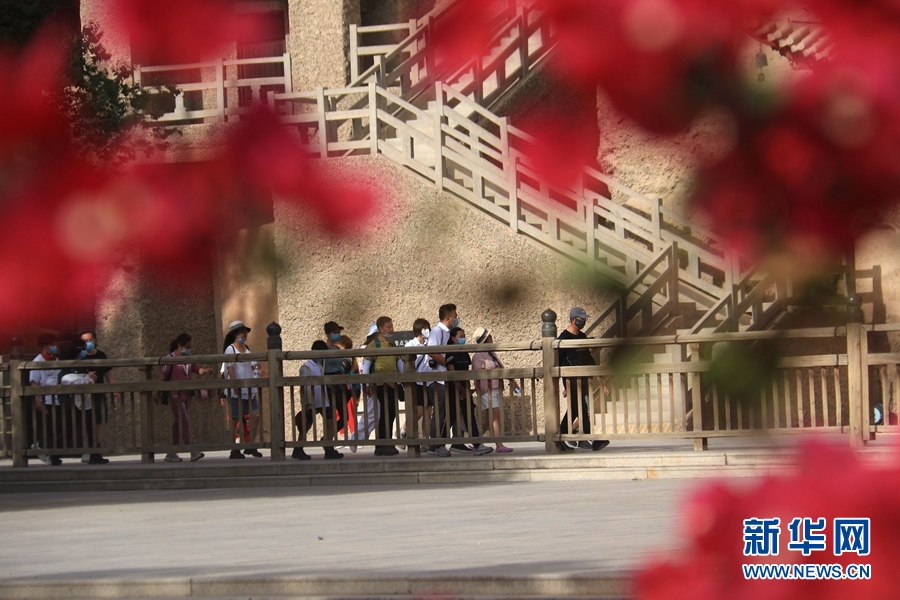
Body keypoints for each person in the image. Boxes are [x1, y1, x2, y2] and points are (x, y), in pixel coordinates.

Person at [558, 307, 610, 453]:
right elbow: (558, 362)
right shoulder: (563, 338)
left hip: (584, 379)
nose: (583, 322)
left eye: (584, 320)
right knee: (579, 408)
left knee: (575, 409)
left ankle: (560, 438)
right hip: (571, 379)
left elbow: (588, 358)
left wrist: (598, 374)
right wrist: (565, 385)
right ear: (572, 320)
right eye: (580, 319)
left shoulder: (582, 336)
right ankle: (590, 439)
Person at [161, 333, 213, 463]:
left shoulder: (189, 358)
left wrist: (205, 370)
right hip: (175, 395)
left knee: (178, 423)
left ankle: (171, 452)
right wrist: (158, 391)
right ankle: (192, 449)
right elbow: (163, 375)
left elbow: (197, 370)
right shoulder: (170, 358)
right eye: (187, 346)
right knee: (184, 421)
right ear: (180, 346)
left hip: (186, 394)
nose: (189, 349)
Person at [57, 341, 108, 464]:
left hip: (85, 401)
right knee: (70, 430)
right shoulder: (68, 365)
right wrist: (84, 379)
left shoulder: (82, 364)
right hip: (71, 402)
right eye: (83, 349)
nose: (86, 351)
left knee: (90, 428)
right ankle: (53, 453)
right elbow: (64, 380)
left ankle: (95, 455)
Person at [445, 327, 493, 456]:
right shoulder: (450, 353)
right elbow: (452, 373)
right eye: (460, 336)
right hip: (454, 390)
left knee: (469, 416)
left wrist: (467, 389)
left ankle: (477, 445)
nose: (463, 338)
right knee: (450, 417)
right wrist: (460, 390)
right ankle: (437, 445)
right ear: (453, 338)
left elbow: (466, 372)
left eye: (464, 336)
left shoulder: (464, 353)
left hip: (465, 390)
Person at [293, 340, 343, 460]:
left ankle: (328, 447)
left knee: (331, 422)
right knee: (306, 425)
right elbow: (304, 387)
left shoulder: (320, 366)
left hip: (323, 400)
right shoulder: (306, 367)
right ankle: (298, 449)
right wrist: (306, 403)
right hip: (312, 401)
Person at [222, 320, 263, 459]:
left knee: (255, 415)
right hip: (237, 390)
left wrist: (256, 367)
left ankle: (250, 444)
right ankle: (234, 449)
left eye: (245, 332)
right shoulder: (230, 349)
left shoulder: (246, 349)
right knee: (235, 419)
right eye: (242, 332)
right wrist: (235, 385)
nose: (245, 335)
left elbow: (253, 364)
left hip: (249, 389)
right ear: (235, 334)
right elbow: (230, 367)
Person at [472, 327, 515, 453]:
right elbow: (479, 373)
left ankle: (477, 440)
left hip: (495, 387)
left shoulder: (491, 353)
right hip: (487, 388)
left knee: (489, 416)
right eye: (489, 336)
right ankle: (499, 444)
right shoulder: (478, 355)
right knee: (495, 414)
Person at [364, 316, 401, 456]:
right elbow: (367, 364)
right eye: (388, 327)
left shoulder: (391, 344)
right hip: (379, 383)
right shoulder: (375, 344)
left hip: (392, 383)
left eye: (392, 326)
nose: (392, 329)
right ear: (380, 329)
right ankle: (381, 445)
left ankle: (387, 442)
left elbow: (398, 363)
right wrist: (367, 383)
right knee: (384, 413)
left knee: (391, 412)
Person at [79, 331, 118, 464]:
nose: (87, 343)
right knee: (86, 423)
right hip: (84, 396)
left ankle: (96, 451)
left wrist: (114, 390)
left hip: (99, 394)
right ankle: (87, 450)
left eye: (89, 340)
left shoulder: (101, 355)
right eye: (84, 341)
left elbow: (108, 374)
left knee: (99, 423)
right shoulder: (80, 356)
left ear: (95, 340)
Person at [426, 303, 459, 457]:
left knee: (447, 411)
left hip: (445, 377)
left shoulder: (447, 333)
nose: (456, 319)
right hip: (438, 378)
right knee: (439, 413)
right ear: (448, 318)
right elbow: (432, 351)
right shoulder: (437, 331)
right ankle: (435, 445)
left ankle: (441, 443)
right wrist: (448, 363)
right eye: (455, 316)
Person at [29, 333, 62, 465]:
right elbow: (34, 382)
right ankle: (46, 451)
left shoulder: (56, 360)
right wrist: (37, 400)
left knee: (58, 427)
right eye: (52, 345)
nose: (55, 347)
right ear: (44, 346)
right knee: (47, 427)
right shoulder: (37, 362)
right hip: (45, 399)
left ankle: (54, 454)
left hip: (57, 398)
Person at [400, 318, 434, 447]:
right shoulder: (411, 345)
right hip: (417, 383)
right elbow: (404, 363)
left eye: (428, 327)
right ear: (419, 330)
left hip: (429, 382)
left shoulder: (430, 343)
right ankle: (404, 430)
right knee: (419, 411)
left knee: (428, 411)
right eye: (425, 328)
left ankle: (425, 440)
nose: (427, 330)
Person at [349, 323, 380, 453]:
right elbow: (364, 369)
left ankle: (359, 438)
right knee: (372, 414)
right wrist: (367, 384)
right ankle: (356, 438)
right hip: (370, 385)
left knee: (376, 414)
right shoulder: (367, 348)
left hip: (376, 384)